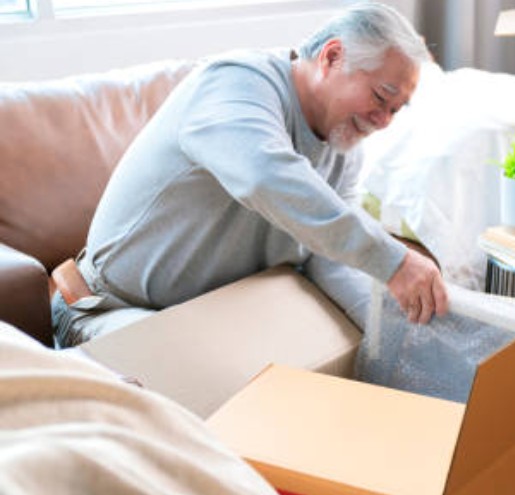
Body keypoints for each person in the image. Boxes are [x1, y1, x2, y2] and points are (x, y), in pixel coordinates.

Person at [50, 2, 448, 348]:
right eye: (380, 97)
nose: (383, 121)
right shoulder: (237, 82)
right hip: (106, 311)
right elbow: (265, 177)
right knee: (217, 399)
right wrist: (393, 261)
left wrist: (390, 335)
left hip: (211, 322)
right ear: (332, 57)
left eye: (396, 110)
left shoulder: (343, 148)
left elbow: (330, 254)